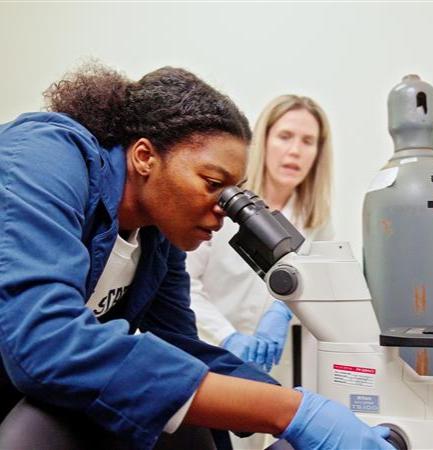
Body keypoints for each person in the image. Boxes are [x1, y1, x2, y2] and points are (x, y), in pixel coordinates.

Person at [0, 63, 394, 450]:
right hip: (23, 395)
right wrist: (288, 412)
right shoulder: (44, 155)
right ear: (144, 157)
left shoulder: (157, 237)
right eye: (212, 184)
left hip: (33, 392)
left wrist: (310, 416)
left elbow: (181, 351)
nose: (224, 206)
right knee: (48, 425)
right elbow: (47, 343)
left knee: (180, 427)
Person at [187, 95, 332, 385]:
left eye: (307, 141)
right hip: (204, 355)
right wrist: (225, 336)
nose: (295, 151)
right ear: (263, 141)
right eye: (285, 136)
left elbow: (322, 289)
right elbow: (184, 285)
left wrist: (283, 310)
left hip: (273, 371)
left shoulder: (317, 222)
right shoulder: (220, 204)